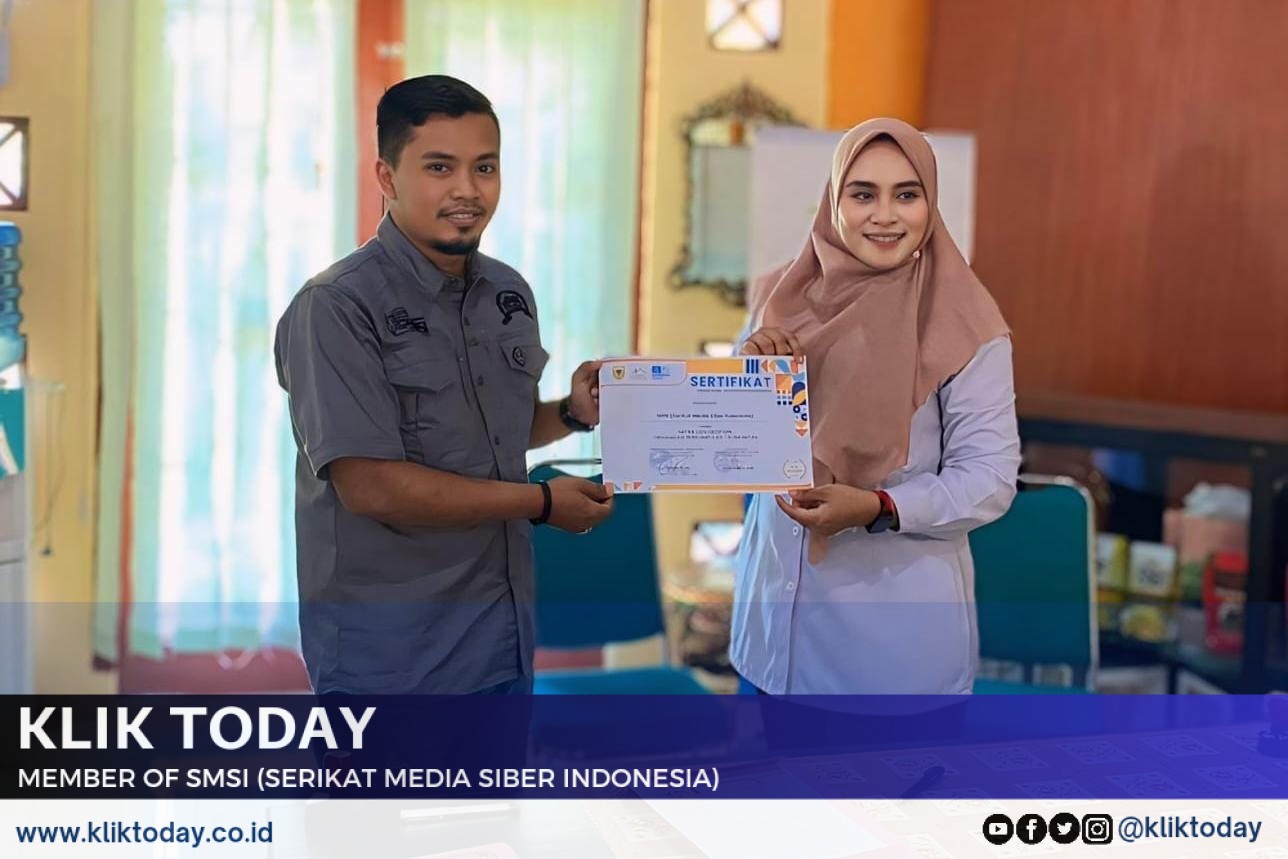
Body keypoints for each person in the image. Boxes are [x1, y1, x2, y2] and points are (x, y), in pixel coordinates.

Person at [274, 75, 614, 697]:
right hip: (391, 661)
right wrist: (541, 503)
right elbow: (372, 486)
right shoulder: (336, 306)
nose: (467, 190)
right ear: (387, 177)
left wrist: (571, 412)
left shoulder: (508, 292)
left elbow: (495, 435)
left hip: (502, 641)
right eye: (439, 167)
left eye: (485, 167)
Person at [731, 117, 1021, 703]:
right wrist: (747, 382)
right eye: (863, 194)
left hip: (890, 662)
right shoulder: (775, 299)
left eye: (906, 195)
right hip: (767, 644)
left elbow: (989, 479)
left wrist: (879, 508)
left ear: (930, 203)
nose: (884, 216)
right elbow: (742, 453)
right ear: (833, 201)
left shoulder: (965, 322)